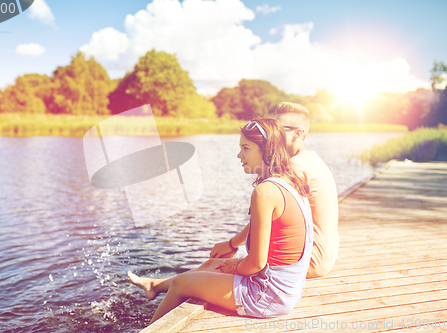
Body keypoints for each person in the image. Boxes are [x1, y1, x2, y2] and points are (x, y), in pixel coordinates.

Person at [128, 118, 313, 324]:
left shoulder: (265, 192)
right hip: (288, 289)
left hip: (269, 295)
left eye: (246, 148)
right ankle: (154, 286)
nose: (239, 155)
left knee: (182, 283)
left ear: (267, 150)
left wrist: (235, 266)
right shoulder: (290, 180)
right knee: (211, 264)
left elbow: (257, 263)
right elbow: (267, 228)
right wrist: (233, 252)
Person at [211, 103, 339, 278]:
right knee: (214, 264)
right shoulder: (311, 159)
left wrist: (232, 244)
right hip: (322, 255)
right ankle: (165, 285)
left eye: (280, 128)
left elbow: (264, 218)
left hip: (308, 259)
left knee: (219, 264)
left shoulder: (294, 168)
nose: (274, 133)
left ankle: (174, 287)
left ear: (298, 134)